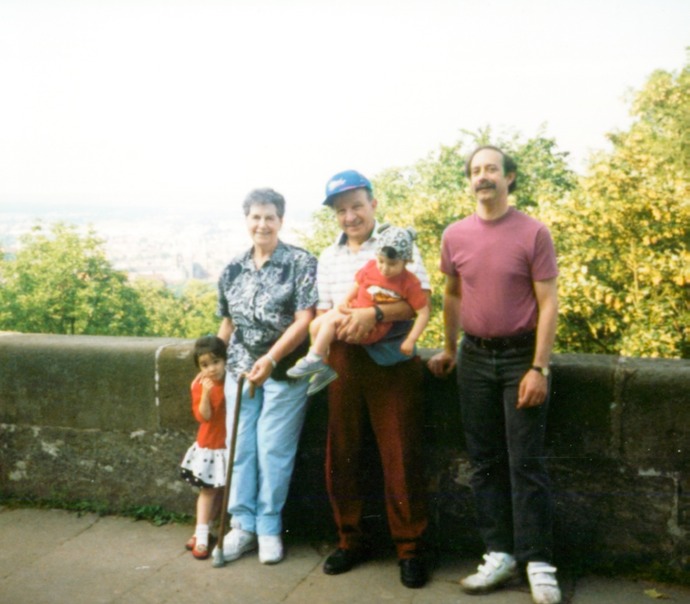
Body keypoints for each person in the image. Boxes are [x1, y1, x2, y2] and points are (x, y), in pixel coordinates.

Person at [428, 146, 561, 604]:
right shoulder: (455, 235)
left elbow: (548, 303)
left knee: (526, 462)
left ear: (509, 177)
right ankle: (499, 553)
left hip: (521, 356)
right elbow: (451, 294)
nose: (483, 177)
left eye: (491, 169)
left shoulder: (533, 232)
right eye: (476, 170)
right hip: (475, 360)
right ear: (469, 181)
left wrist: (539, 367)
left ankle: (538, 562)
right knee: (484, 462)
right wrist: (448, 349)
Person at [316, 169, 431, 589]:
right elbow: (321, 312)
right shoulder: (328, 258)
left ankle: (410, 548)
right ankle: (350, 540)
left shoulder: (399, 242)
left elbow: (420, 303)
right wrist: (333, 329)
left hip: (393, 360)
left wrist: (375, 313)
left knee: (400, 452)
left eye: (357, 206)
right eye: (342, 210)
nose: (350, 216)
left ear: (373, 205)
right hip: (345, 358)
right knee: (342, 450)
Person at [213, 188, 318, 565]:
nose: (262, 224)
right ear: (247, 220)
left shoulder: (300, 263)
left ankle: (269, 525)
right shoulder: (233, 268)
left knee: (273, 450)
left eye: (269, 217)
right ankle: (242, 525)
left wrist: (272, 360)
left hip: (284, 370)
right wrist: (213, 362)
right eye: (255, 217)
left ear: (281, 221)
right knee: (240, 448)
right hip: (240, 371)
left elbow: (305, 320)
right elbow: (227, 322)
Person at [286, 223, 430, 396]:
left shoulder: (409, 282)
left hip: (374, 328)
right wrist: (345, 300)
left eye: (391, 264)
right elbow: (358, 284)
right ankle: (322, 368)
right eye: (381, 261)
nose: (384, 268)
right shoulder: (370, 267)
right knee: (316, 325)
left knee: (330, 322)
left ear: (406, 261)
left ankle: (314, 359)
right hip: (352, 312)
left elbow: (423, 312)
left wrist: (411, 339)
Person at [179, 335, 228, 560]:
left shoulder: (231, 381)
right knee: (208, 491)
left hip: (228, 446)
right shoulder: (200, 385)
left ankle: (206, 529)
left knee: (221, 491)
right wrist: (206, 393)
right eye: (205, 365)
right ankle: (200, 534)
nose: (211, 369)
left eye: (216, 362)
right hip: (210, 446)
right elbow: (204, 416)